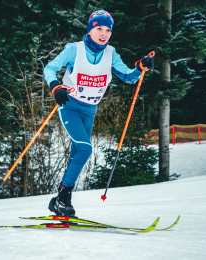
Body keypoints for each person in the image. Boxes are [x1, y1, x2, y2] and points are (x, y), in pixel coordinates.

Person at [44, 10, 154, 216]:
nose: (103, 34)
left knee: (77, 152)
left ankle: (59, 201)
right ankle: (63, 195)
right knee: (85, 149)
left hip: (90, 109)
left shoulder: (111, 54)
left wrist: (140, 68)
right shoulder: (73, 50)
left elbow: (129, 77)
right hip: (70, 105)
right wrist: (55, 87)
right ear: (90, 29)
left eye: (107, 30)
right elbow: (50, 68)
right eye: (98, 29)